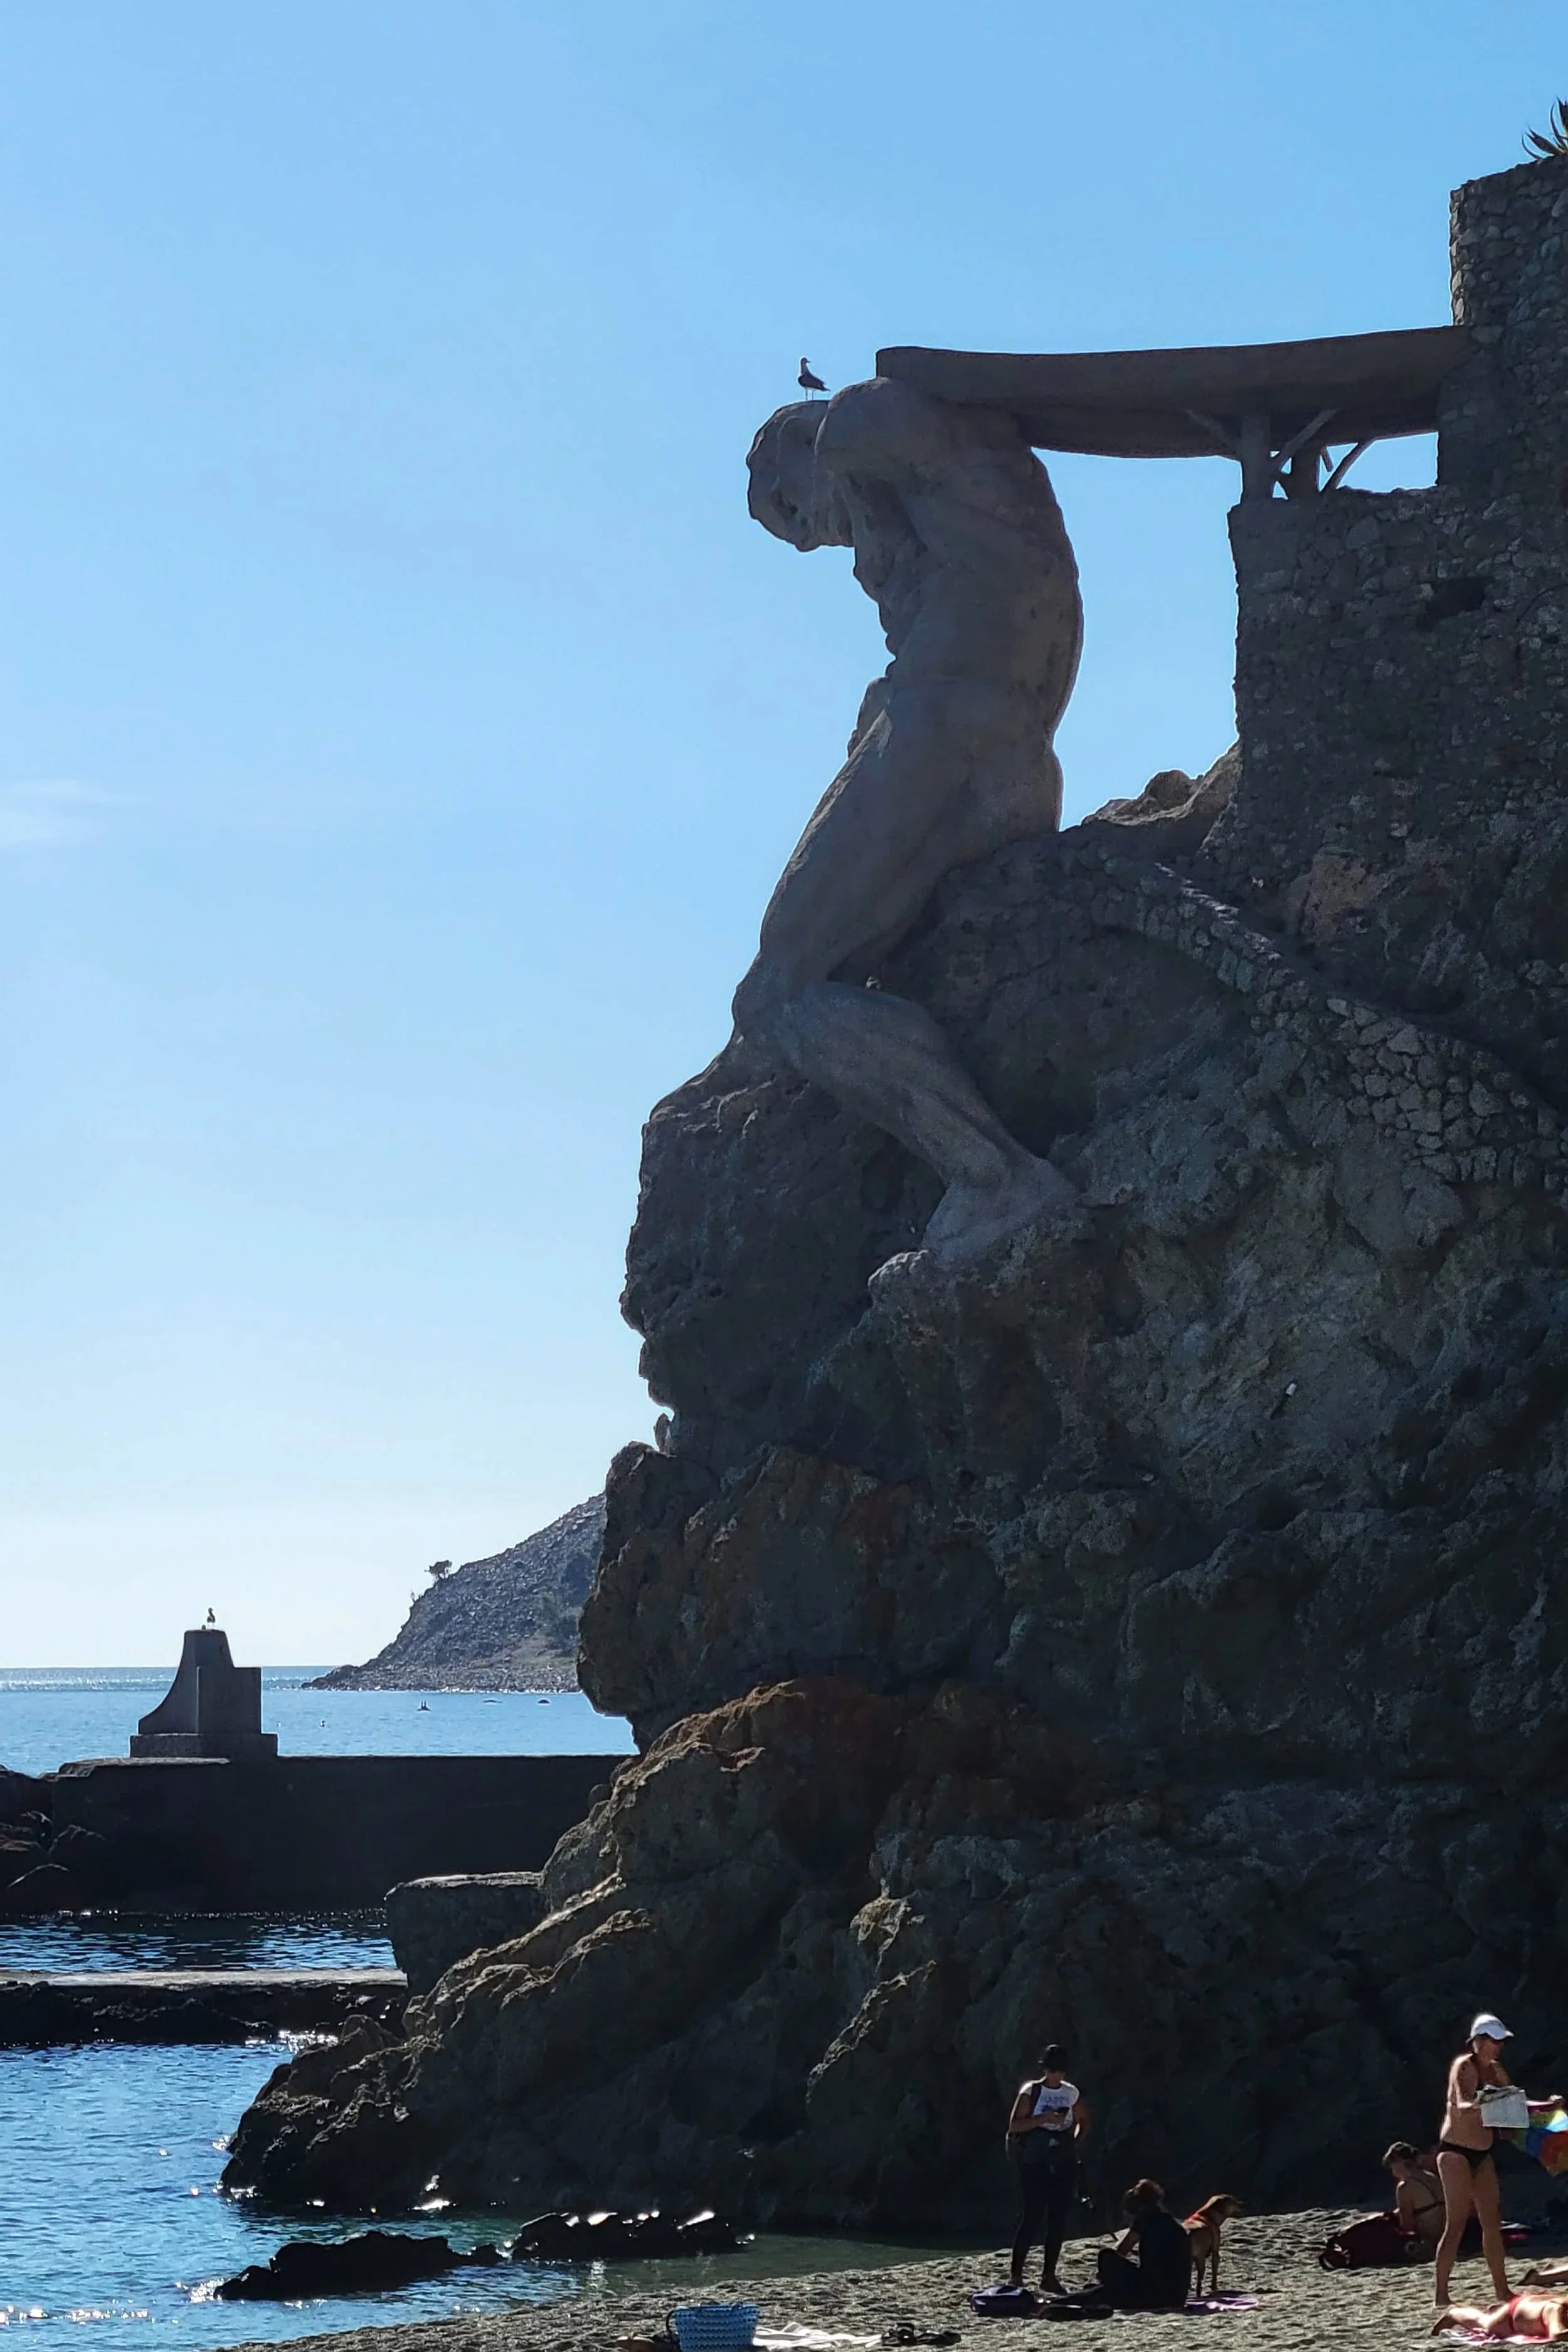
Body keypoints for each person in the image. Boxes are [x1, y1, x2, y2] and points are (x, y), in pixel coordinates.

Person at [1434, 2011, 1559, 2309]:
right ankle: (1441, 2294)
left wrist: (1548, 2106)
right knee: (1456, 2223)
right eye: (1493, 2041)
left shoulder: (1498, 2072)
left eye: (1501, 2042)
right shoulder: (1463, 2066)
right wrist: (1483, 2101)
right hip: (1455, 2151)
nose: (1498, 2047)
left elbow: (1516, 2106)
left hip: (1482, 2152)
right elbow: (1462, 2102)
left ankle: (1502, 2290)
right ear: (1478, 2041)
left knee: (1493, 2221)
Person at [1007, 2044, 1089, 2294]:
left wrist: (1074, 2142)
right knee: (1031, 2217)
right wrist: (1043, 2119)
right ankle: (1017, 2275)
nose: (1057, 2077)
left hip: (1062, 2156)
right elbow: (1014, 2126)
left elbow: (1084, 2119)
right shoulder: (1031, 2092)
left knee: (1058, 2219)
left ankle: (1049, 2275)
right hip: (1035, 2157)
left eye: (1061, 2072)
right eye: (1053, 2071)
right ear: (1045, 2069)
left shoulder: (1071, 2093)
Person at [1090, 2179, 1192, 2312]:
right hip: (1178, 2297)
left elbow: (1121, 2250)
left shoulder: (1144, 2219)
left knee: (1106, 2256)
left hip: (1154, 2294)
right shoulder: (1172, 2223)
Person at [1431, 2289, 1568, 2341]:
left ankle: (1498, 2310)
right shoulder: (1556, 2311)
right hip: (1512, 2317)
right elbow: (1556, 2335)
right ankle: (1453, 2313)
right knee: (1485, 2323)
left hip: (1528, 2308)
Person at [1386, 2141, 1445, 2255]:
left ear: (1399, 2162)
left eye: (1391, 2164)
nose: (1391, 2169)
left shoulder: (1405, 2186)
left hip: (1426, 2243)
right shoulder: (1432, 2177)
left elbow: (1407, 2227)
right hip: (1444, 2238)